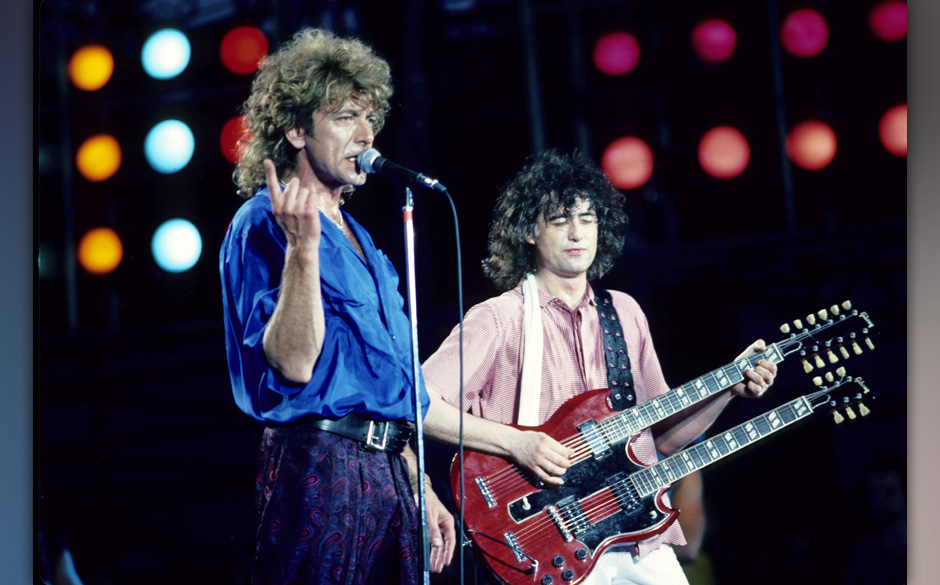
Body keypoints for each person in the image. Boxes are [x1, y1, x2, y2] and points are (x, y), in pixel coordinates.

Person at [420, 149, 777, 585]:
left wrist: (728, 389)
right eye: (560, 220)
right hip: (546, 540)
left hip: (636, 533)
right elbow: (417, 404)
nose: (576, 233)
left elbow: (663, 441)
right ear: (530, 231)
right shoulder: (497, 318)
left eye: (587, 219)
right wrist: (516, 443)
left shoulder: (624, 313)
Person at [219, 27, 454, 585]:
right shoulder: (262, 223)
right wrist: (302, 251)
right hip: (320, 465)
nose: (367, 135)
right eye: (347, 116)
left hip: (391, 470)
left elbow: (392, 392)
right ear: (298, 129)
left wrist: (421, 486)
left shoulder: (367, 245)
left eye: (371, 117)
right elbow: (295, 364)